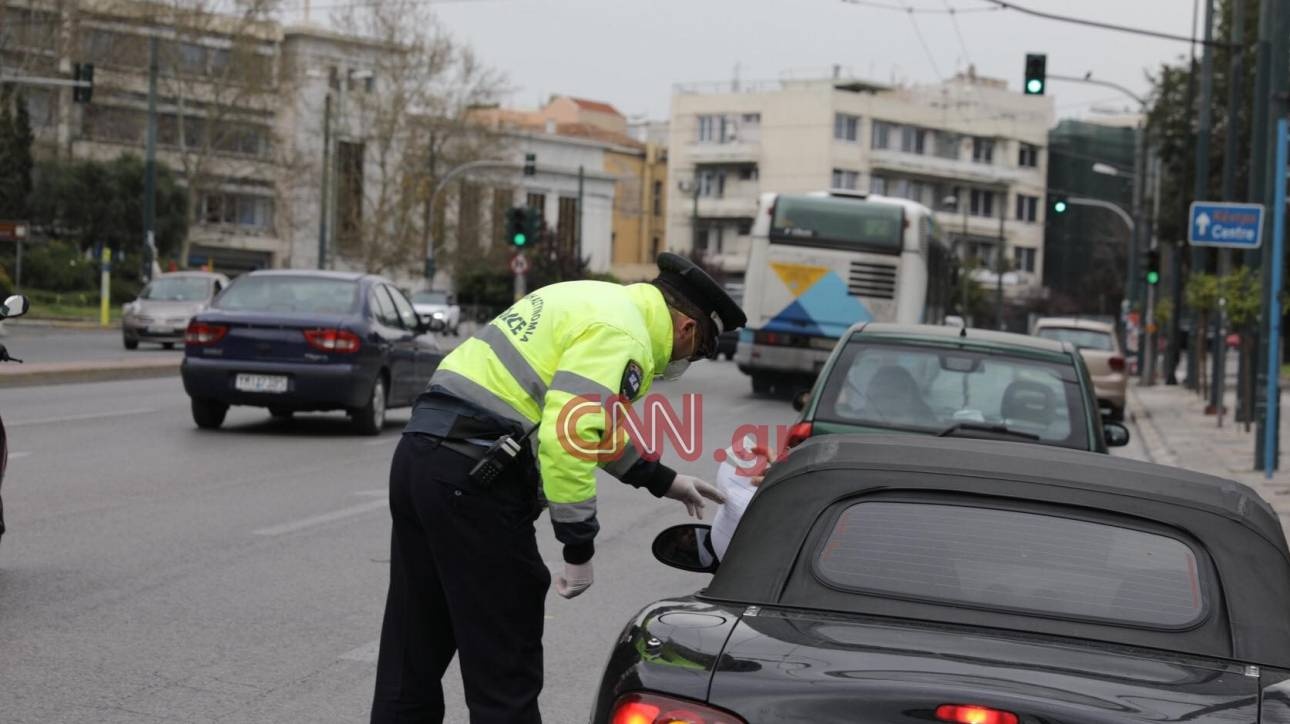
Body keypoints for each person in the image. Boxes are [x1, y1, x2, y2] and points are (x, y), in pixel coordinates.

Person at [370, 253, 746, 723]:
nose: (687, 360)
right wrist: (578, 546)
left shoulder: (592, 299)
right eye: (699, 350)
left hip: (421, 461)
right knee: (505, 674)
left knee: (412, 655)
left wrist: (662, 479)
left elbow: (583, 422)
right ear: (689, 330)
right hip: (476, 482)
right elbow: (568, 437)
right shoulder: (625, 335)